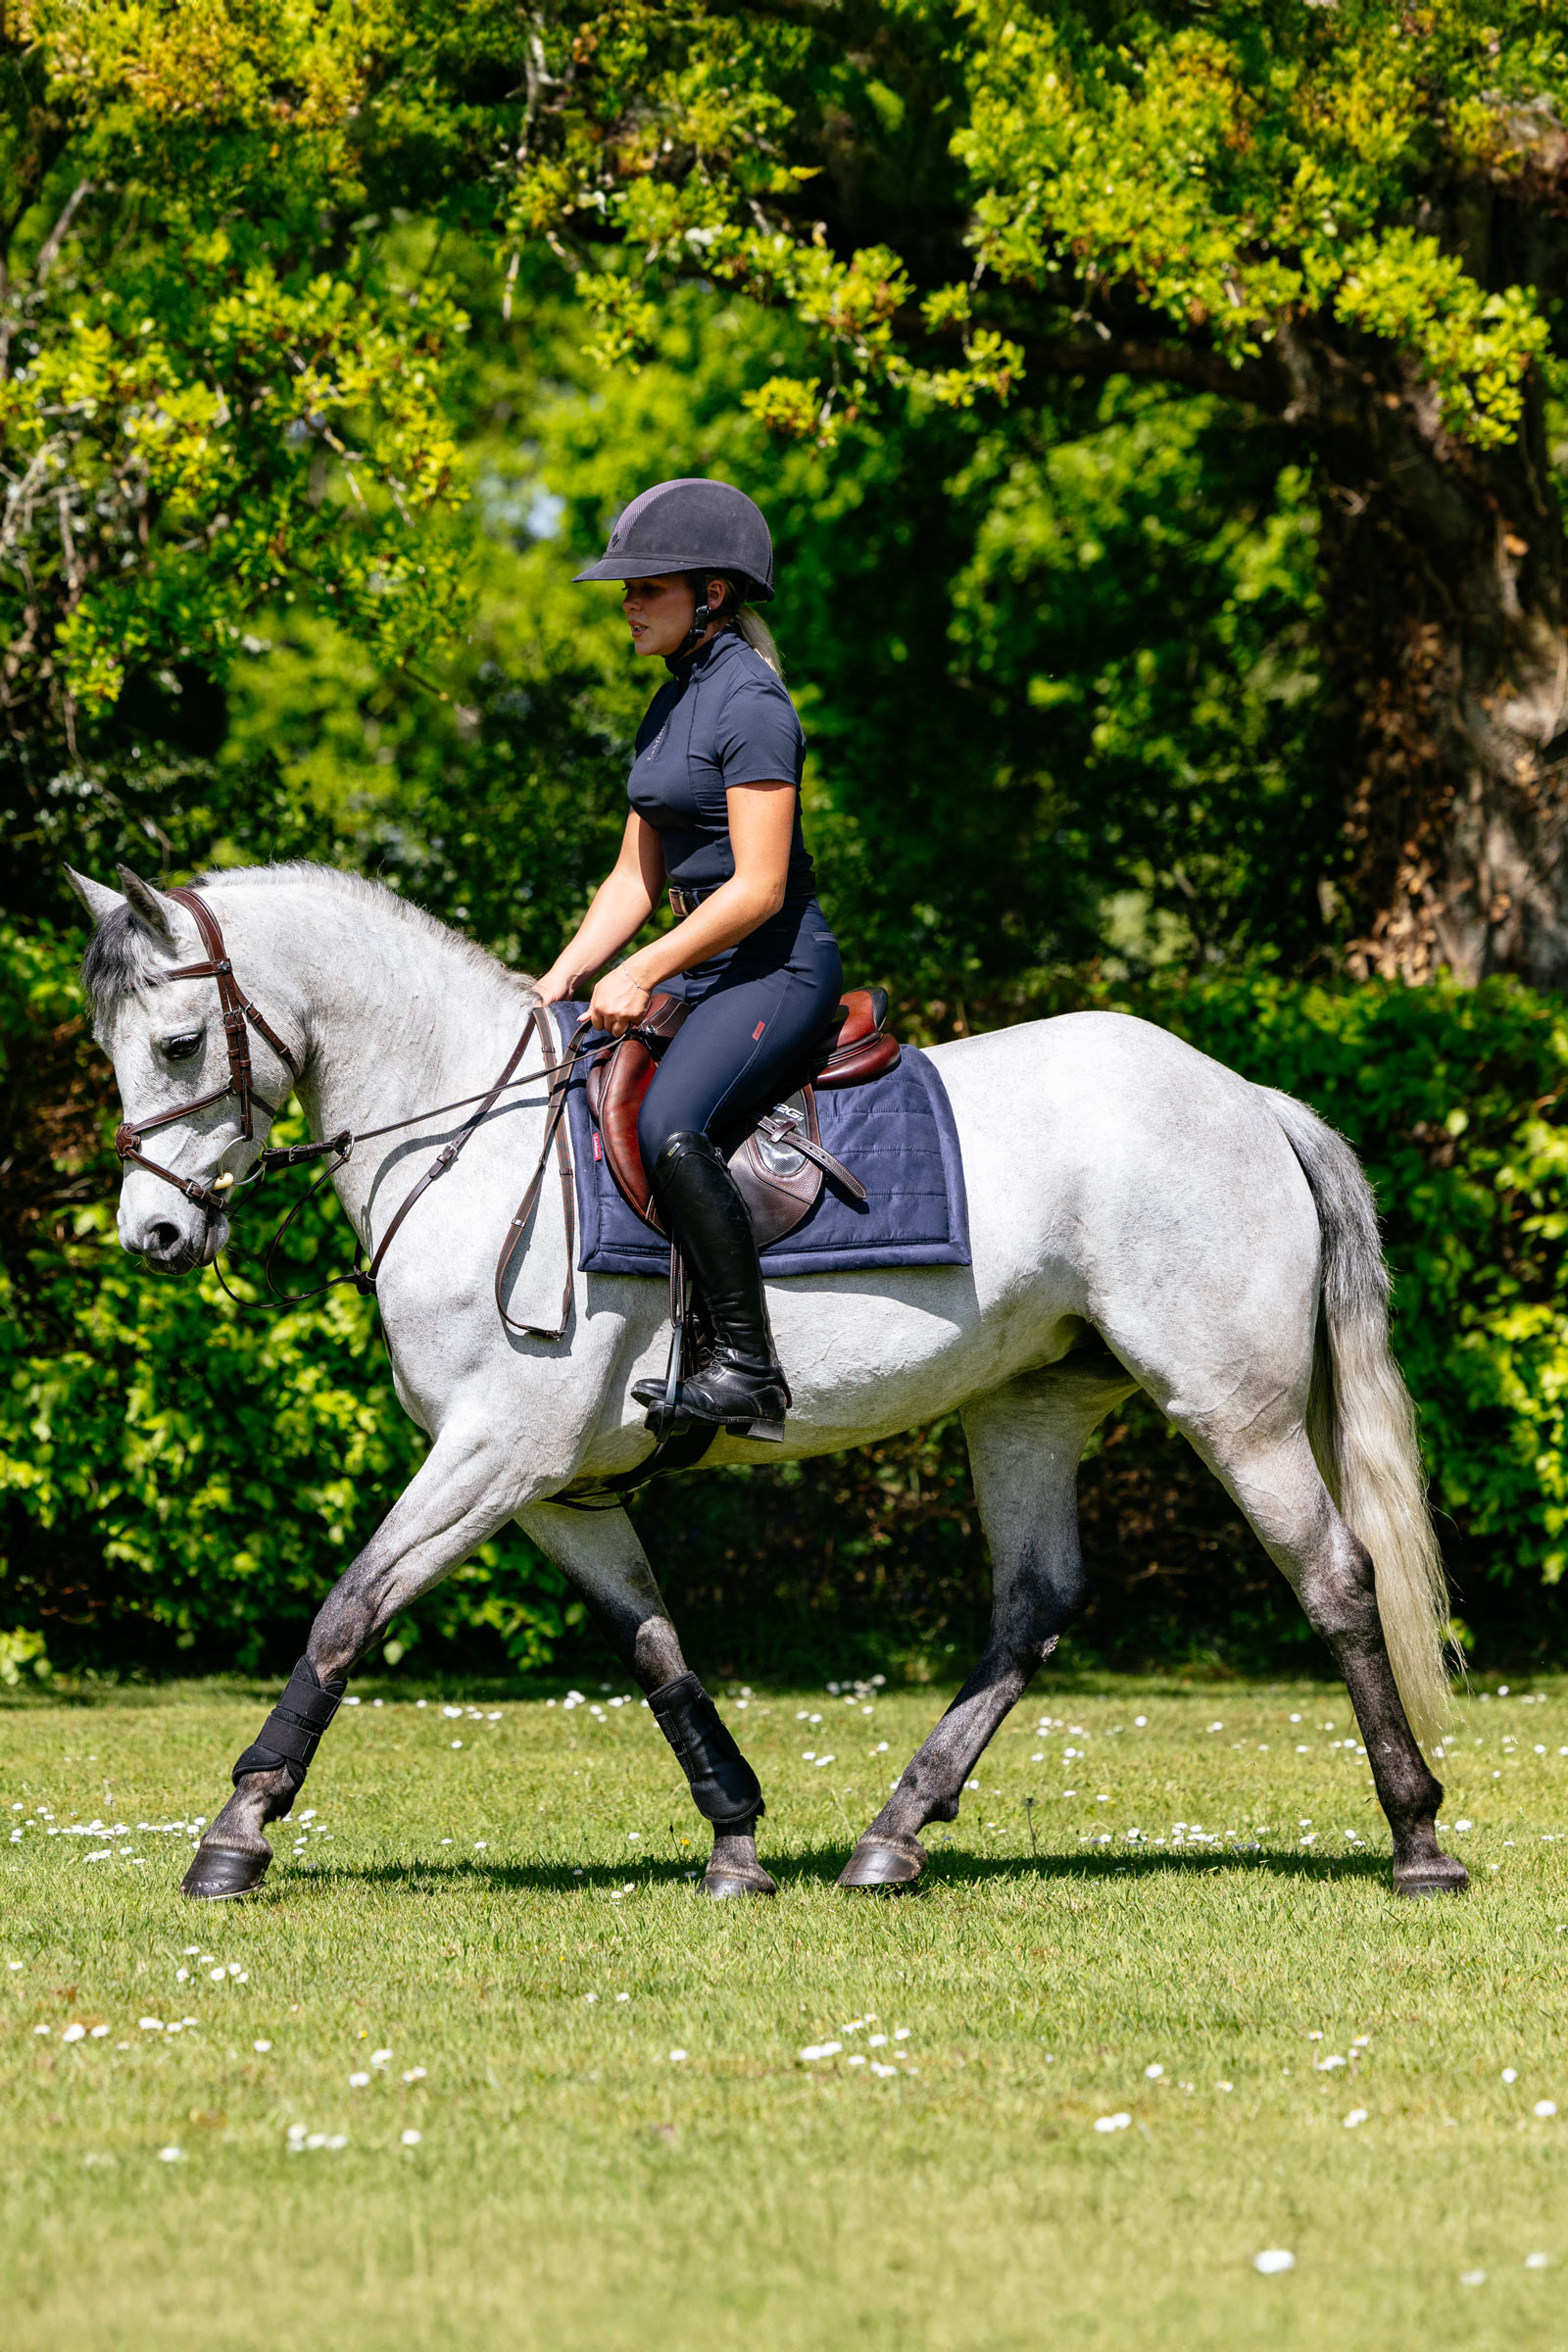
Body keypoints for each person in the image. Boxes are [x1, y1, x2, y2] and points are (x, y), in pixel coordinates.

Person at [534, 478, 843, 1442]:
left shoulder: (750, 704)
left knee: (671, 1121)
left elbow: (754, 887)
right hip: (703, 964)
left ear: (710, 593)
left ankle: (748, 1367)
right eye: (624, 591)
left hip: (775, 967)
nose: (626, 605)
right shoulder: (671, 705)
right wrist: (559, 981)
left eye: (645, 588)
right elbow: (634, 874)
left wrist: (642, 969)